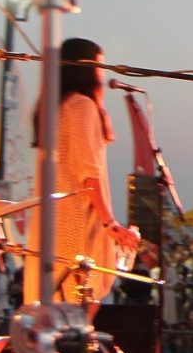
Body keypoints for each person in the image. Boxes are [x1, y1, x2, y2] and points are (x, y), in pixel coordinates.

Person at [24, 37, 140, 315]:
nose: (103, 73)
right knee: (76, 324)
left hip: (52, 226)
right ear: (87, 68)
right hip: (77, 227)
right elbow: (90, 173)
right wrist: (110, 224)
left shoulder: (56, 108)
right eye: (100, 65)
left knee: (52, 328)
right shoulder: (81, 107)